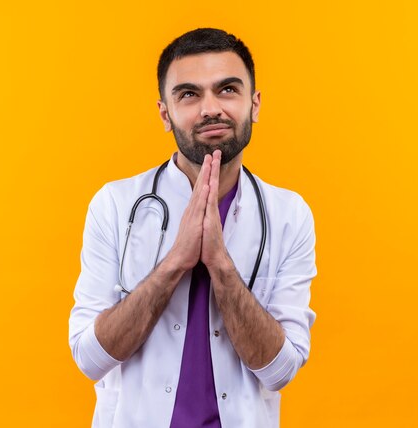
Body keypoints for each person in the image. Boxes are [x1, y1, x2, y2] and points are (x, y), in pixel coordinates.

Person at [69, 28, 316, 427]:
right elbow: (90, 359)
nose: (210, 108)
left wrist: (220, 265)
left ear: (254, 104)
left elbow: (279, 371)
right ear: (165, 114)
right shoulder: (114, 205)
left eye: (228, 90)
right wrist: (173, 264)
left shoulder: (289, 215)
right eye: (189, 94)